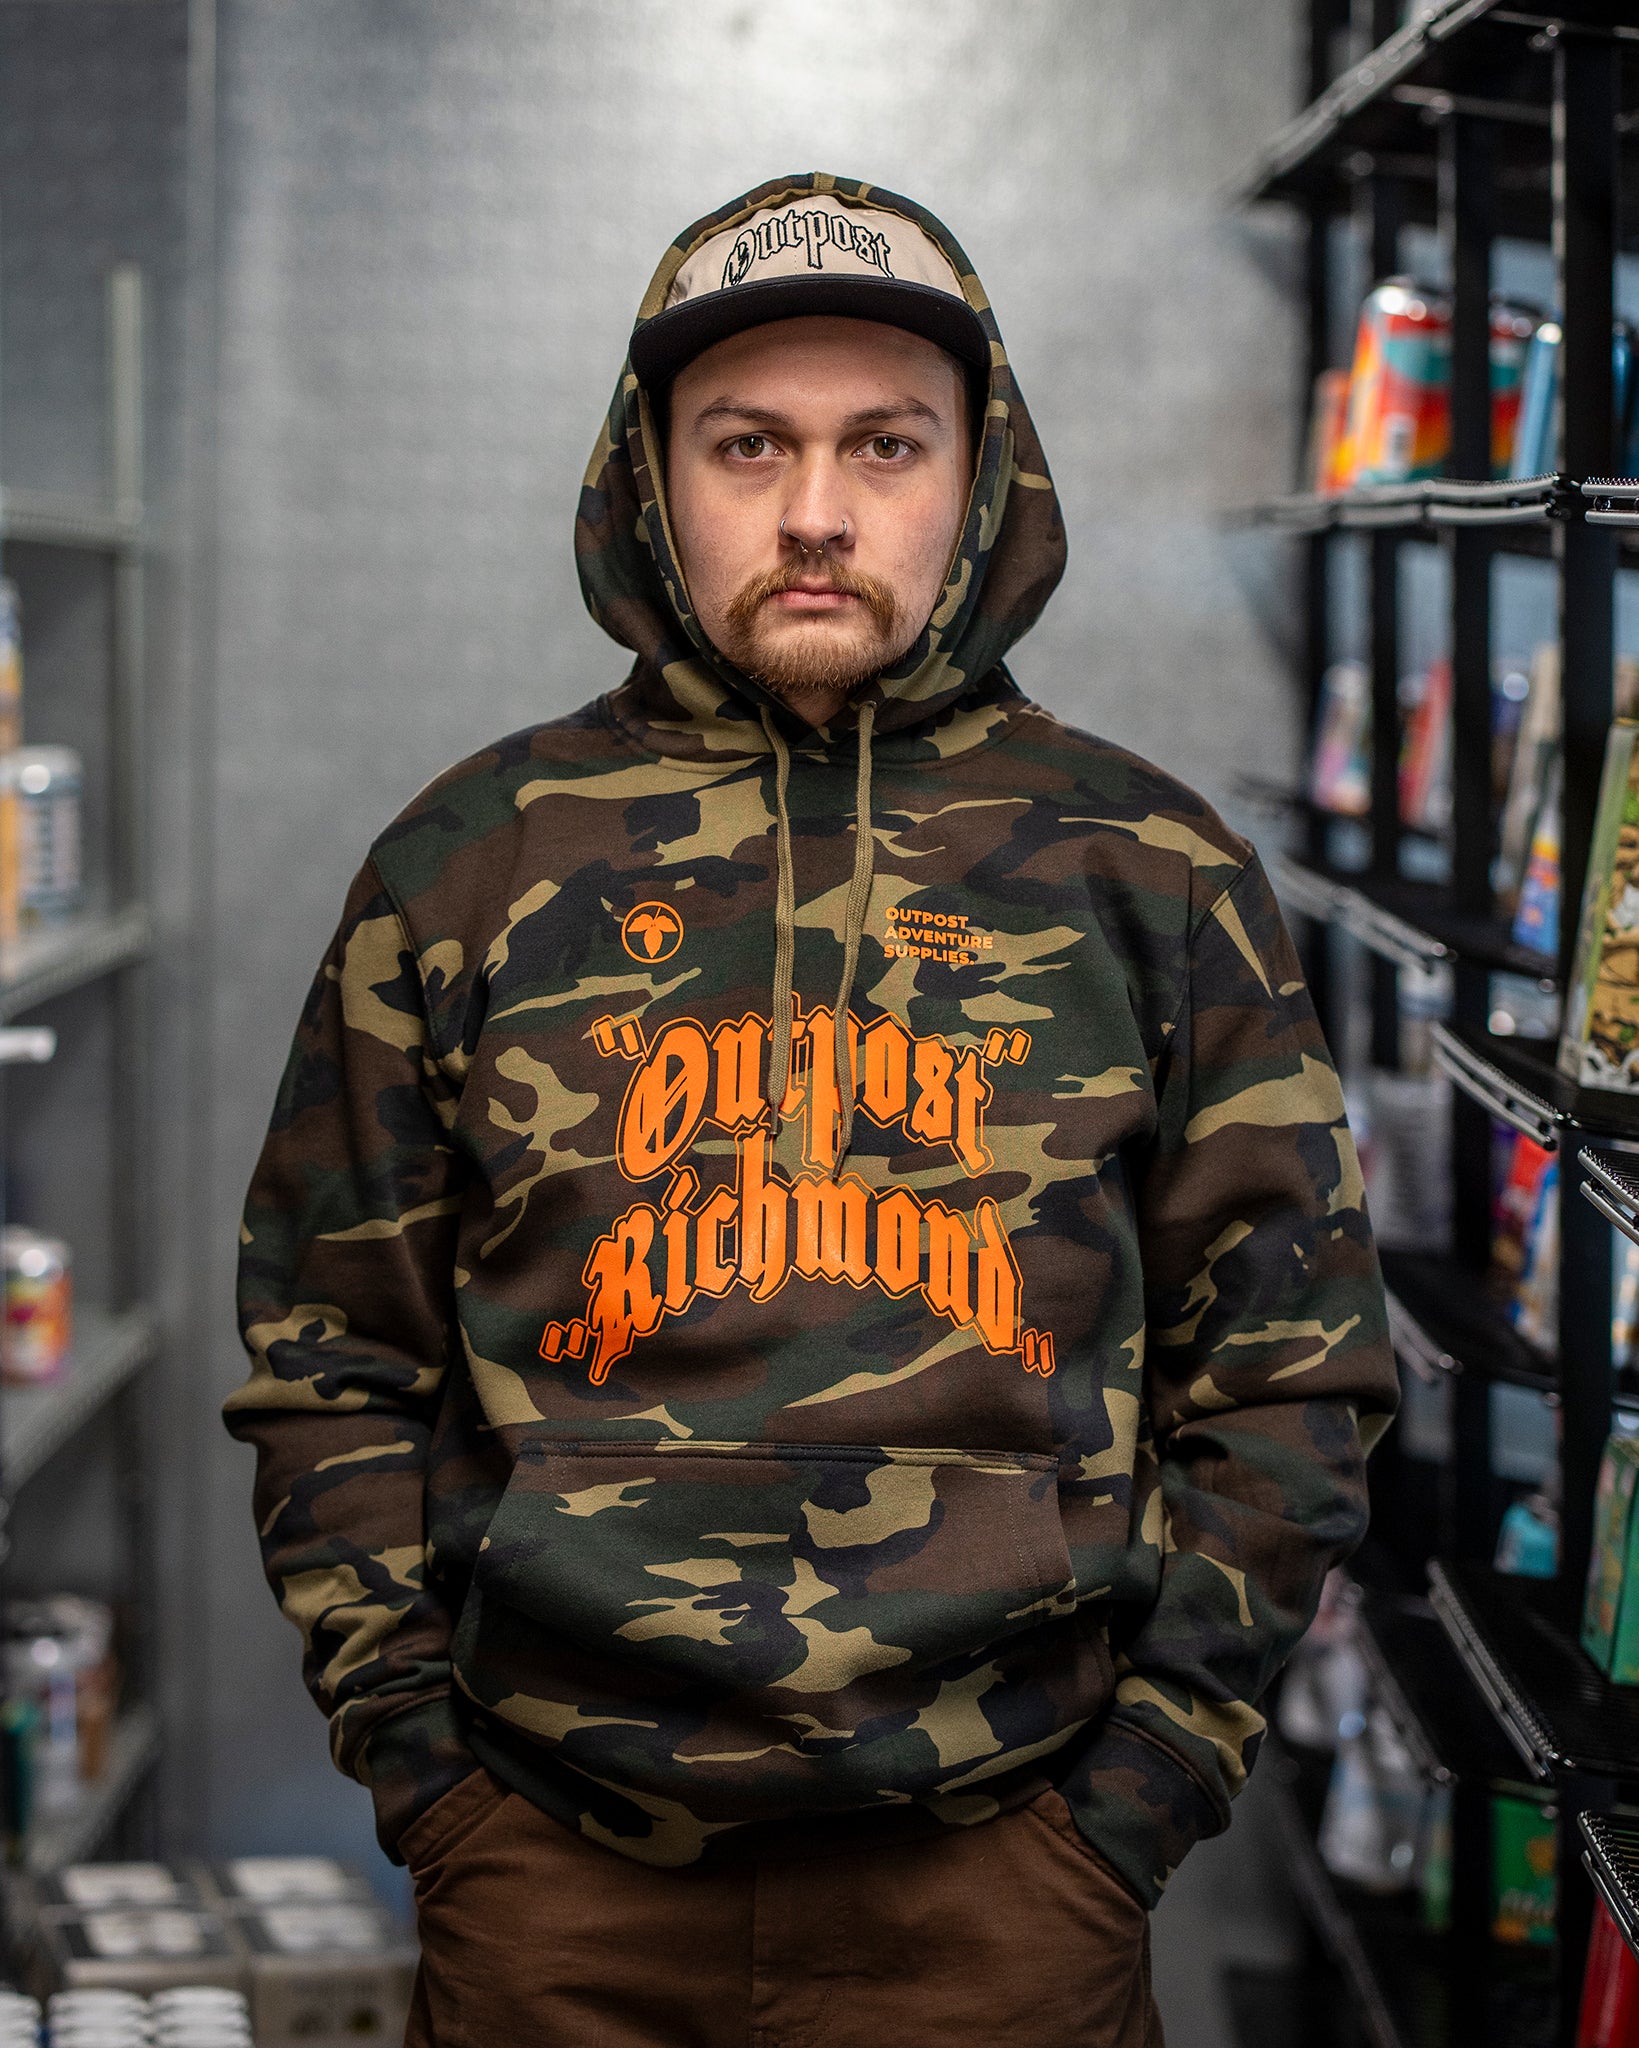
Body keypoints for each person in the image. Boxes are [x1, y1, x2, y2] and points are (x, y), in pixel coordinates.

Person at [227, 173, 1398, 2047]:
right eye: (748, 444)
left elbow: (1292, 1376)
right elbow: (327, 1359)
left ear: (981, 478)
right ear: (651, 475)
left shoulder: (1151, 871)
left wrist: (1139, 1801)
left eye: (887, 444)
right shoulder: (468, 862)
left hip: (1009, 1895)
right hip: (554, 1889)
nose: (817, 513)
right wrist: (430, 1786)